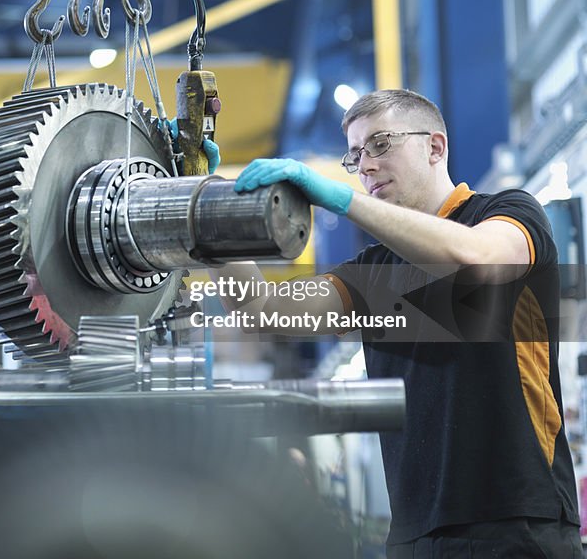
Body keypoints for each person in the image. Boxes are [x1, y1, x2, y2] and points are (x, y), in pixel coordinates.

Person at [220, 88, 581, 558]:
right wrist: (213, 214)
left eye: (381, 144)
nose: (365, 164)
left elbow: (477, 260)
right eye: (354, 156)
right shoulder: (373, 273)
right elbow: (260, 310)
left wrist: (343, 200)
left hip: (516, 522)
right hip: (414, 534)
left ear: (435, 147)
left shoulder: (508, 214)